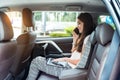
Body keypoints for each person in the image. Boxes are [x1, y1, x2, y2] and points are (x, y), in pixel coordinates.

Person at [26, 13, 94, 80]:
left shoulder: (87, 39)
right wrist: (75, 39)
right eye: (77, 23)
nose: (77, 26)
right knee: (40, 59)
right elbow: (73, 53)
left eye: (79, 23)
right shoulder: (83, 38)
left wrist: (65, 59)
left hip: (69, 70)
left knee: (36, 61)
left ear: (86, 24)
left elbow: (80, 62)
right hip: (68, 65)